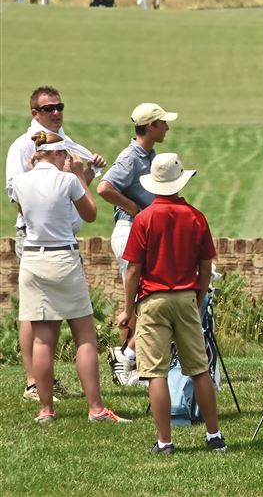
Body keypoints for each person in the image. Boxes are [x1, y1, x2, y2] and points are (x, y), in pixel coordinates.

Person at [11, 131, 128, 425]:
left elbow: (24, 211)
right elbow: (89, 213)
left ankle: (46, 409)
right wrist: (78, 175)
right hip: (62, 256)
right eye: (64, 154)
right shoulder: (66, 180)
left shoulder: (20, 182)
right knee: (84, 334)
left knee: (42, 337)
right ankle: (96, 408)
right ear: (57, 153)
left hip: (33, 259)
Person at [117, 153, 226, 453]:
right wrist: (198, 298)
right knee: (199, 369)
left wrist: (129, 310)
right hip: (186, 297)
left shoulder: (144, 218)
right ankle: (214, 436)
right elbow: (205, 265)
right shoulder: (195, 216)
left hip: (153, 300)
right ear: (179, 183)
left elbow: (133, 270)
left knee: (156, 372)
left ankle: (165, 441)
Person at [7, 86, 105, 402]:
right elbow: (21, 196)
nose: (56, 112)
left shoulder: (64, 142)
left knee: (43, 322)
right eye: (48, 108)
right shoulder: (23, 146)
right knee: (37, 317)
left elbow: (69, 192)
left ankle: (44, 394)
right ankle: (34, 382)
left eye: (59, 106)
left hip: (58, 236)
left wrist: (86, 173)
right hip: (39, 237)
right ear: (34, 113)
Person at [98, 101, 178, 384]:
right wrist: (133, 207)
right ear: (152, 126)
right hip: (130, 229)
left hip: (138, 230)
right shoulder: (132, 157)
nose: (167, 126)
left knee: (139, 294)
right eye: (163, 123)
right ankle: (125, 362)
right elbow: (104, 187)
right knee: (136, 294)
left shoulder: (147, 153)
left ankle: (131, 362)